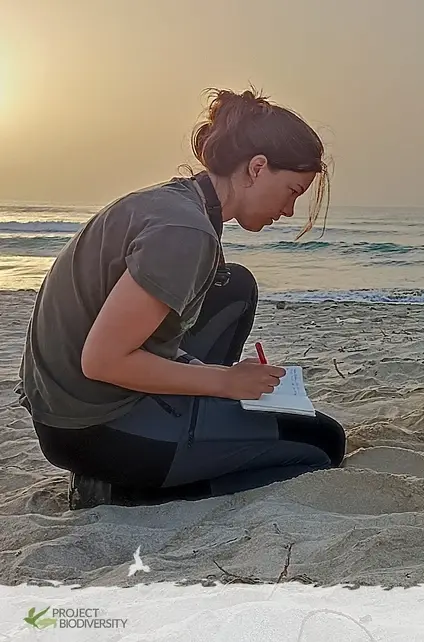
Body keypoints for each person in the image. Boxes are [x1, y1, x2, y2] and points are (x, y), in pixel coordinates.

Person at [17, 88, 346, 509]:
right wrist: (224, 381)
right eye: (293, 191)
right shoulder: (184, 232)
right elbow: (103, 360)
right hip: (91, 426)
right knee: (321, 443)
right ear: (258, 168)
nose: (289, 211)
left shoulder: (177, 203)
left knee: (235, 288)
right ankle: (126, 493)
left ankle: (174, 440)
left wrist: (217, 377)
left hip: (67, 406)